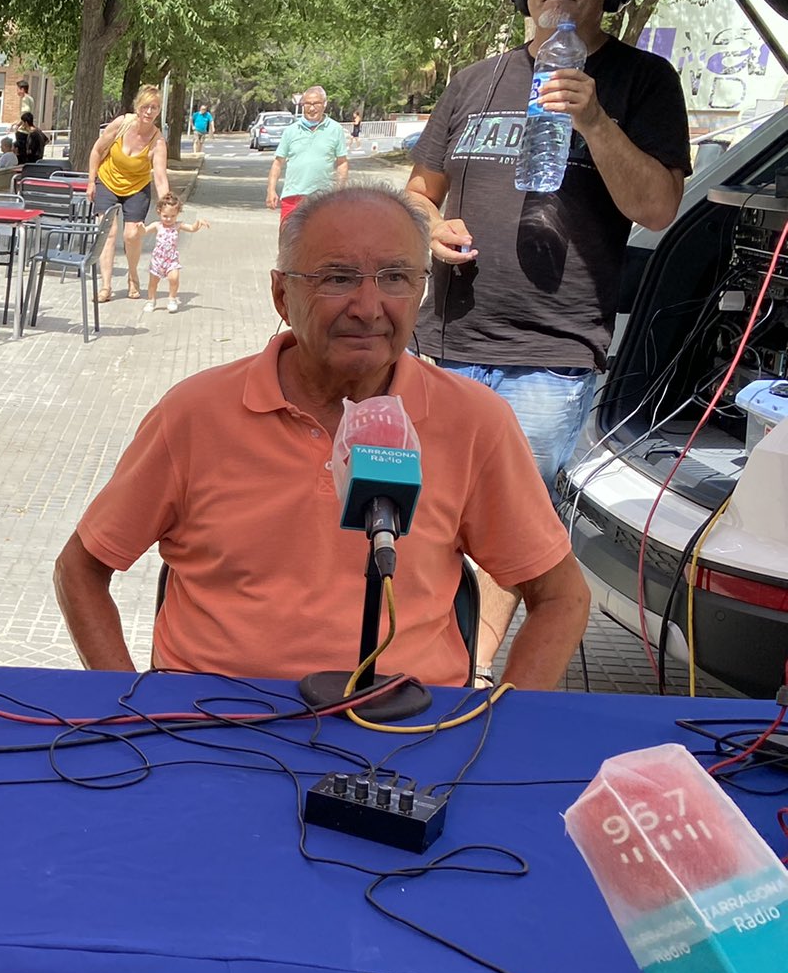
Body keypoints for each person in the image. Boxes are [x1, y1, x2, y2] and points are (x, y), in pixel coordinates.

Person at [53, 187, 588, 688]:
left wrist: (502, 732)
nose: (369, 306)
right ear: (282, 294)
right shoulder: (194, 415)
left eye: (396, 277)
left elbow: (560, 595)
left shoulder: (474, 421)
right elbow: (80, 568)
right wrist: (125, 707)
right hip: (215, 729)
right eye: (338, 278)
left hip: (405, 733)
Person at [406, 0, 687, 678]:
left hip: (549, 358)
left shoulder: (643, 83)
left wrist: (594, 117)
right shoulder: (474, 81)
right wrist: (428, 223)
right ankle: (409, 653)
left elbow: (658, 206)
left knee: (507, 533)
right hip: (444, 344)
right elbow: (416, 193)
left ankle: (475, 677)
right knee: (409, 516)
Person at [84, 83, 172, 304]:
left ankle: (133, 277)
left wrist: (167, 205)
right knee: (108, 231)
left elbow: (160, 177)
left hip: (136, 187)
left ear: (159, 111)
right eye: (145, 107)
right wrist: (91, 181)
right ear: (137, 106)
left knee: (132, 234)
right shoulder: (122, 124)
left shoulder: (158, 141)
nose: (149, 112)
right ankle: (105, 286)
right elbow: (96, 150)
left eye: (154, 108)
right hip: (107, 181)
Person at [266, 85, 350, 223]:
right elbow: (277, 163)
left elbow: (342, 163)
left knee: (321, 241)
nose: (311, 108)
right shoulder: (291, 131)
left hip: (323, 199)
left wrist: (339, 192)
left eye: (316, 103)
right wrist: (271, 190)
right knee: (290, 241)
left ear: (324, 104)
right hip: (293, 198)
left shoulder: (335, 129)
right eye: (307, 104)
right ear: (302, 105)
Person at [133, 192, 208, 314]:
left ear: (178, 214)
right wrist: (140, 228)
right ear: (159, 212)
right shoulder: (157, 225)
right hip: (158, 260)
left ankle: (172, 299)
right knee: (153, 283)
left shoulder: (178, 225)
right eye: (165, 216)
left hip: (171, 259)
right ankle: (151, 300)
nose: (169, 219)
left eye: (173, 216)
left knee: (174, 278)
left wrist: (198, 223)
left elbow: (192, 229)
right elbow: (144, 232)